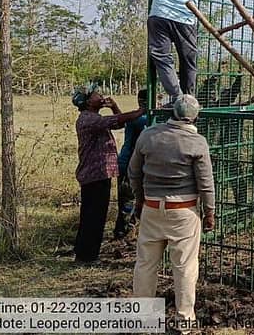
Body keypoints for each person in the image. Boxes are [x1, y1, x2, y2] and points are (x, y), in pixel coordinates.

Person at [129, 94, 215, 330]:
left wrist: (139, 200)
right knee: (185, 267)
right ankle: (184, 320)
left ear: (172, 112)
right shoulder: (196, 142)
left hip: (152, 208)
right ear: (195, 116)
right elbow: (206, 183)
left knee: (145, 264)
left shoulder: (148, 135)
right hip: (184, 212)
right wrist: (209, 212)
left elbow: (134, 172)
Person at [136, 0, 219, 105]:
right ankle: (188, 99)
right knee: (188, 61)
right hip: (185, 20)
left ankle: (177, 96)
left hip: (160, 14)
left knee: (162, 57)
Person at [71, 84, 145, 262]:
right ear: (89, 102)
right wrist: (142, 110)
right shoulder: (89, 119)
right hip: (95, 176)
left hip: (98, 175)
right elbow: (121, 120)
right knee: (94, 216)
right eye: (96, 94)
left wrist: (113, 107)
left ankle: (84, 252)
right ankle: (87, 256)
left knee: (92, 215)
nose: (100, 95)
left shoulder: (93, 117)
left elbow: (118, 123)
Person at [113, 89, 149, 239]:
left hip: (128, 163)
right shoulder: (141, 120)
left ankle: (126, 229)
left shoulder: (136, 116)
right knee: (128, 200)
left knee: (129, 199)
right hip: (130, 164)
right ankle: (123, 232)